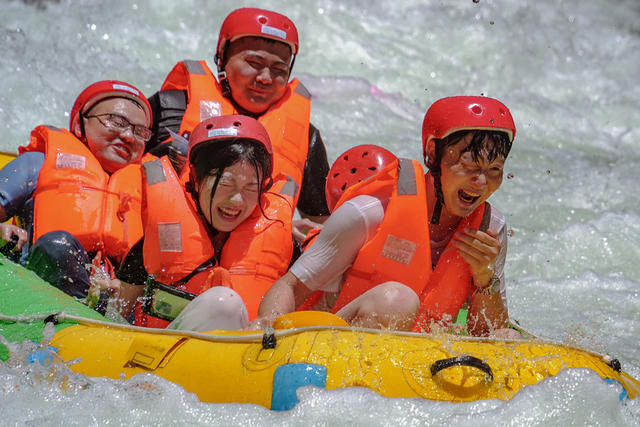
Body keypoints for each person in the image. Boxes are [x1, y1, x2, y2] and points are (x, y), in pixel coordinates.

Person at [258, 96, 518, 337]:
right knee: (397, 301)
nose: (481, 182)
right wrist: (268, 335)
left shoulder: (490, 228)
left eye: (494, 169)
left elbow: (486, 336)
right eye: (470, 163)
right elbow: (289, 288)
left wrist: (486, 279)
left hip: (416, 361)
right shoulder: (370, 212)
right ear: (431, 153)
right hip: (333, 350)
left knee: (509, 338)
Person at [146, 7, 330, 242]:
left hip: (256, 265)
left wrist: (296, 232)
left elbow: (321, 224)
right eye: (254, 63)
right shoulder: (173, 106)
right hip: (168, 248)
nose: (265, 78)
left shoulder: (306, 137)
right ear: (222, 59)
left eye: (278, 70)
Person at [112, 115, 293, 331]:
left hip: (247, 357)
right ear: (196, 180)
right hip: (166, 354)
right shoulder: (158, 241)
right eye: (226, 183)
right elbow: (114, 320)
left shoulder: (282, 244)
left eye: (250, 187)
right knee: (224, 304)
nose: (237, 200)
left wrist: (270, 322)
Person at [0, 80, 153, 312]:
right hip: (43, 276)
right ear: (80, 125)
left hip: (114, 300)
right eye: (116, 121)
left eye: (140, 132)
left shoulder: (151, 189)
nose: (128, 136)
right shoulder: (39, 163)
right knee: (58, 244)